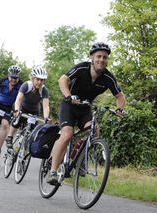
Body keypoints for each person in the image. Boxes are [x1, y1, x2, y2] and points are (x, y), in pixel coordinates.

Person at [47, 42, 126, 185]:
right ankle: (52, 172)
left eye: (105, 57)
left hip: (85, 109)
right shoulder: (82, 67)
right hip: (69, 106)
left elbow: (119, 96)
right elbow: (63, 79)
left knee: (94, 132)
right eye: (99, 56)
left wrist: (120, 109)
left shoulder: (108, 78)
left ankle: (78, 159)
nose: (102, 60)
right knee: (67, 135)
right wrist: (68, 96)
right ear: (92, 57)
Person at [5, 66, 51, 149]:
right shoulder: (26, 85)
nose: (40, 82)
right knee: (17, 121)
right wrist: (16, 110)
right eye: (38, 79)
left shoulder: (44, 90)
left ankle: (23, 151)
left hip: (34, 111)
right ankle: (10, 137)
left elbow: (46, 106)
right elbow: (18, 99)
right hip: (23, 108)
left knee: (31, 133)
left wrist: (46, 117)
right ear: (32, 78)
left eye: (42, 80)